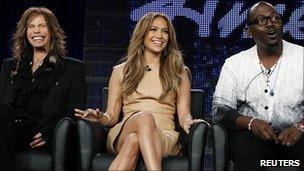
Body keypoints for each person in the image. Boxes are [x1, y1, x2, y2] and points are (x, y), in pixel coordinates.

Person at [75, 12, 205, 170]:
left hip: (163, 135)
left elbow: (184, 113)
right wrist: (100, 117)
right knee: (144, 118)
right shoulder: (121, 71)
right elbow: (112, 116)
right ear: (142, 33)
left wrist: (189, 122)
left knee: (134, 141)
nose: (160, 35)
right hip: (125, 130)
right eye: (153, 29)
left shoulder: (179, 72)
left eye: (165, 31)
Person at [212, 1, 304, 170]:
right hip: (254, 141)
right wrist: (250, 123)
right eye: (262, 20)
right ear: (249, 32)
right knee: (244, 145)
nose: (271, 23)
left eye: (275, 17)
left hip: (297, 138)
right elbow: (219, 110)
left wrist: (300, 127)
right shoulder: (235, 64)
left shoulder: (302, 57)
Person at [0, 7, 86, 171]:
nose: (36, 31)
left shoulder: (72, 68)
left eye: (42, 26)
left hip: (45, 133)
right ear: (25, 32)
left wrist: (51, 131)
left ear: (52, 31)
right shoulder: (10, 65)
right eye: (31, 26)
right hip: (11, 132)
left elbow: (74, 111)